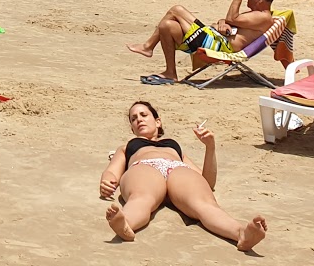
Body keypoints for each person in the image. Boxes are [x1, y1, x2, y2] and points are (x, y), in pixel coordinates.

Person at [99, 101, 267, 252]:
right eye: (133, 118)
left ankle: (241, 234)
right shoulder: (127, 146)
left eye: (144, 115)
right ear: (132, 128)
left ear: (158, 121)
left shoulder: (174, 146)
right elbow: (112, 170)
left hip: (177, 169)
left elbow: (207, 182)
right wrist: (106, 180)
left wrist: (210, 148)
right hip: (145, 167)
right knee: (142, 197)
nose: (139, 119)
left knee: (203, 203)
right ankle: (126, 223)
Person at [126, 0, 279, 81]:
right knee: (166, 25)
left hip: (220, 47)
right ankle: (170, 72)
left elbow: (232, 18)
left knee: (176, 9)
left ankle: (148, 47)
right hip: (215, 39)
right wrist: (222, 23)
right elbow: (229, 20)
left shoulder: (264, 18)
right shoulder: (256, 15)